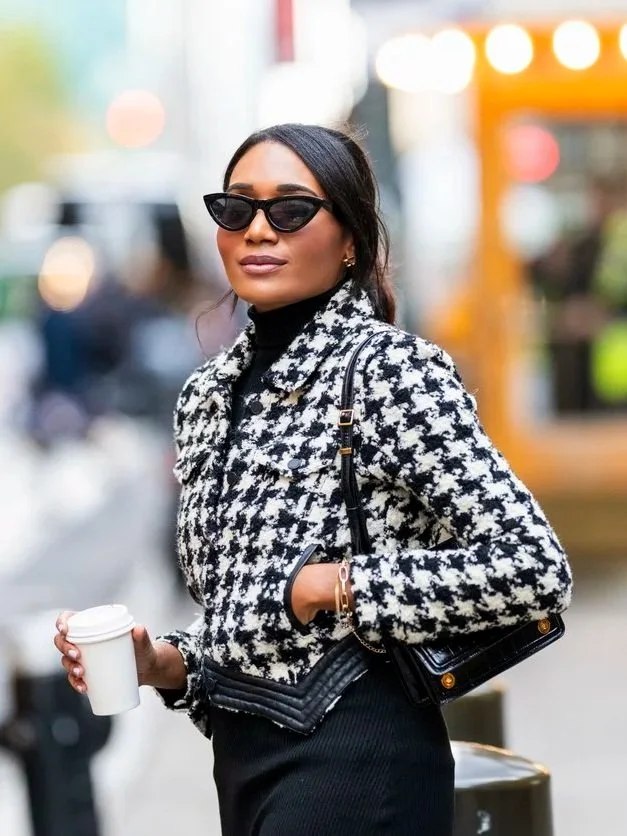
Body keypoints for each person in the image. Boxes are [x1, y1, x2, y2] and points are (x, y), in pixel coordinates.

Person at [54, 124, 573, 835]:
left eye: (290, 210)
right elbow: (249, 625)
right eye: (235, 209)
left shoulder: (389, 372)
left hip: (361, 759)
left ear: (350, 239)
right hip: (245, 766)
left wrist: (332, 585)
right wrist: (162, 662)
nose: (258, 230)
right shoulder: (206, 398)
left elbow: (533, 568)